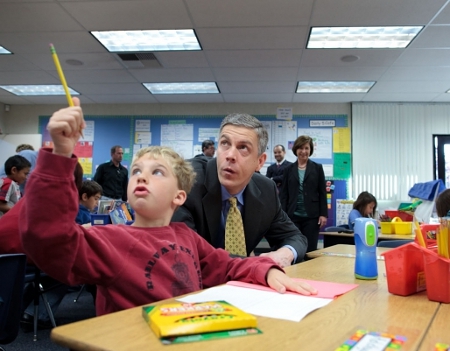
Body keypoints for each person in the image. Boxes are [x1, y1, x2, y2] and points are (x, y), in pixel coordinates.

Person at [19, 99, 317, 317]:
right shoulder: (111, 241)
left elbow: (227, 265)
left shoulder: (187, 239)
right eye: (136, 171)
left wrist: (267, 270)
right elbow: (49, 240)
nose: (143, 176)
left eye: (157, 172)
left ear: (179, 195)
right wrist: (60, 154)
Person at [172, 113, 308, 267]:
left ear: (260, 161)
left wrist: (285, 253)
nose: (230, 155)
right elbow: (189, 253)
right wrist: (257, 265)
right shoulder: (187, 180)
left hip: (242, 287)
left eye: (243, 147)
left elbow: (295, 237)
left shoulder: (266, 190)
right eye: (225, 143)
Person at [0, 162, 83, 331]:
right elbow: (61, 237)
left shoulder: (36, 193)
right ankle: (36, 316)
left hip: (8, 253)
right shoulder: (60, 198)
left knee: (46, 273)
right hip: (20, 252)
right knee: (69, 269)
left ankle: (19, 311)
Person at [280, 135, 328, 253]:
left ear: (310, 150)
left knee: (310, 250)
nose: (304, 151)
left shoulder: (317, 168)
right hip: (292, 216)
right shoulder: (288, 169)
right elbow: (284, 194)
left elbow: (322, 192)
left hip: (311, 217)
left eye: (306, 148)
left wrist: (323, 214)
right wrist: (282, 216)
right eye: (301, 148)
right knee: (293, 249)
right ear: (296, 150)